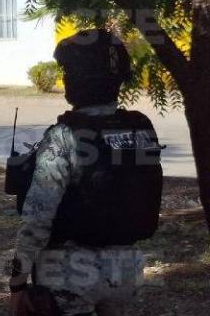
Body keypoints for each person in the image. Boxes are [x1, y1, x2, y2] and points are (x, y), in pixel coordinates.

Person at [9, 29, 163, 316]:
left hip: (71, 274)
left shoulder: (64, 136)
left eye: (68, 71)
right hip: (126, 271)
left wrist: (17, 283)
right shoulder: (141, 128)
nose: (65, 77)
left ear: (81, 78)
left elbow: (36, 219)